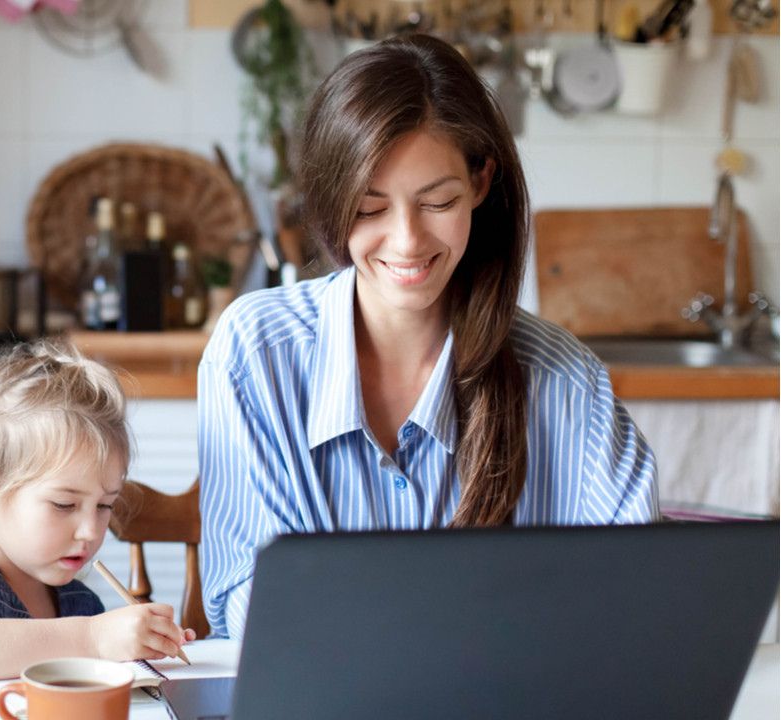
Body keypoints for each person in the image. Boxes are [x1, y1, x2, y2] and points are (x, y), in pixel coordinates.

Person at [197, 33, 659, 640]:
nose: (408, 241)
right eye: (370, 208)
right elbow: (251, 611)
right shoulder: (253, 353)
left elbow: (639, 597)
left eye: (437, 201)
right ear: (332, 200)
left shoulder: (564, 379)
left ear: (482, 180)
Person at [0, 341, 193, 720]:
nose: (90, 531)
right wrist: (93, 638)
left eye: (105, 505)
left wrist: (134, 645)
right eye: (64, 505)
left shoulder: (80, 604)